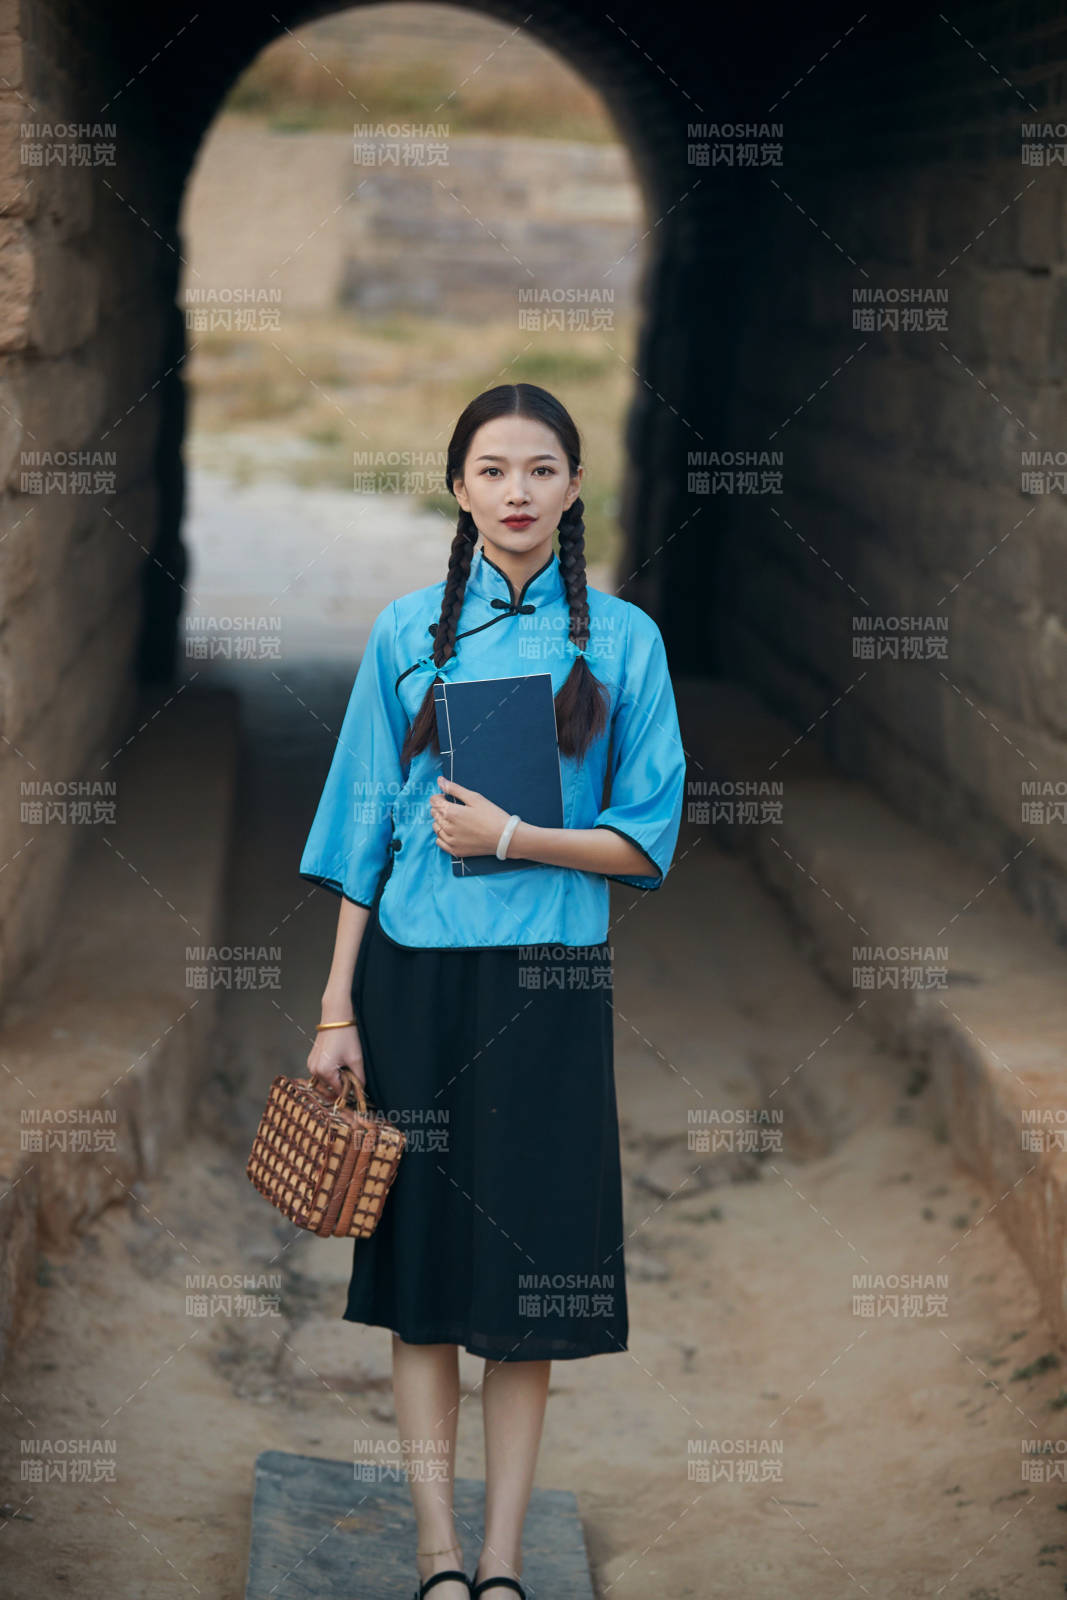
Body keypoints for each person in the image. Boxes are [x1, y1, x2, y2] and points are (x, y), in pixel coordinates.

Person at [301, 382, 687, 1600]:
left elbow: (646, 836)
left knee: (527, 1289)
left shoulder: (623, 641)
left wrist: (515, 837)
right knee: (421, 1285)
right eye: (491, 469)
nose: (515, 491)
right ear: (457, 489)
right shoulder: (403, 634)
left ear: (573, 487)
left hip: (548, 987)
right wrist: (335, 1008)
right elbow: (363, 830)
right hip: (414, 984)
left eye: (539, 469)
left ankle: (505, 1561)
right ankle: (437, 1557)